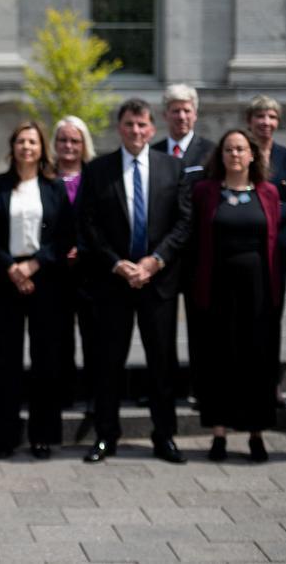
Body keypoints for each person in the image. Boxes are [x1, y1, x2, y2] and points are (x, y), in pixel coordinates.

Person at [77, 98, 191, 464]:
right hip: (113, 283)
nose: (136, 131)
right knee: (109, 363)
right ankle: (106, 435)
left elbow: (183, 222)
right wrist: (117, 264)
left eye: (142, 125)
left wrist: (154, 262)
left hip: (158, 283)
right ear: (119, 128)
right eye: (129, 124)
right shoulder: (98, 170)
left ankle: (164, 436)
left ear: (152, 129)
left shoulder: (173, 168)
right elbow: (89, 224)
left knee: (162, 362)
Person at [0, 121, 73, 459]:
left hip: (45, 279)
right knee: (5, 359)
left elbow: (64, 236)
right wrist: (11, 267)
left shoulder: (54, 188)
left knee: (45, 358)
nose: (26, 147)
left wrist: (34, 265)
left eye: (32, 141)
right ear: (12, 147)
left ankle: (42, 435)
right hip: (6, 279)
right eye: (21, 141)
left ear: (41, 148)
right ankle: (3, 436)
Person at [190, 130, 280, 462]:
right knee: (218, 359)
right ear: (221, 156)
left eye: (240, 149)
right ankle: (218, 434)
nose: (235, 155)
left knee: (256, 360)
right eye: (228, 149)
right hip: (216, 290)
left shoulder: (268, 193)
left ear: (252, 155)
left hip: (258, 290)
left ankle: (256, 434)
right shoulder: (205, 192)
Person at [151, 84, 215, 404]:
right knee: (160, 329)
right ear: (165, 115)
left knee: (201, 325)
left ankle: (200, 388)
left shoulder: (211, 152)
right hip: (164, 254)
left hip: (199, 255)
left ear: (195, 113)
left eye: (187, 109)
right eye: (175, 110)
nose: (181, 116)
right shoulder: (155, 151)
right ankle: (164, 387)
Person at [245, 95, 286, 410]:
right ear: (250, 121)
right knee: (242, 315)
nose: (266, 122)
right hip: (242, 246)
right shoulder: (238, 151)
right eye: (260, 116)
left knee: (271, 315)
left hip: (276, 248)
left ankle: (270, 384)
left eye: (271, 117)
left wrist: (267, 209)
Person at [52, 116, 96, 408]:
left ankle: (93, 394)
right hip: (54, 270)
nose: (69, 146)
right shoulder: (43, 177)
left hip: (90, 270)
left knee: (93, 335)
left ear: (84, 145)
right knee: (58, 337)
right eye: (63, 140)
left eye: (75, 141)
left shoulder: (96, 176)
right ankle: (63, 392)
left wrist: (83, 249)